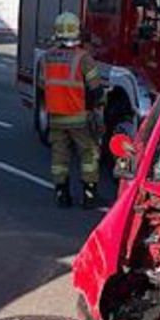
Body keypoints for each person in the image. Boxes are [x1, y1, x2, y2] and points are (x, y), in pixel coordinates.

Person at [38, 12, 105, 209]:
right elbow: (96, 89)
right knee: (89, 154)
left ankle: (62, 194)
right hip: (79, 116)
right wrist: (96, 109)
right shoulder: (83, 58)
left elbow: (44, 85)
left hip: (56, 117)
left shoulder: (47, 57)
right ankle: (89, 195)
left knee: (60, 156)